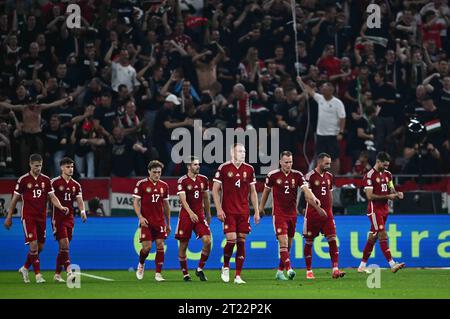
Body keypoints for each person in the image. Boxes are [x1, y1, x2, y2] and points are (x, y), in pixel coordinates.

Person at [259, 151, 325, 281]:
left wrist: (314, 198)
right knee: (283, 242)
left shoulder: (298, 175)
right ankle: (289, 269)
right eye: (286, 162)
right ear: (280, 162)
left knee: (288, 246)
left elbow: (306, 189)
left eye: (290, 162)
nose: (288, 165)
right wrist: (261, 208)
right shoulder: (272, 175)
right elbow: (266, 191)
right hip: (279, 214)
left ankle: (279, 272)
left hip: (292, 215)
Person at [3, 154, 68, 283]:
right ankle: (38, 275)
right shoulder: (23, 180)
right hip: (28, 217)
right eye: (36, 165)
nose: (38, 168)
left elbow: (52, 197)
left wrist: (60, 207)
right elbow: (15, 199)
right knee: (33, 244)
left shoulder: (46, 180)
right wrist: (9, 217)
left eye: (40, 165)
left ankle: (25, 268)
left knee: (40, 247)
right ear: (30, 164)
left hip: (42, 217)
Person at [212, 143, 260, 284]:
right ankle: (225, 266)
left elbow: (253, 192)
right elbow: (215, 190)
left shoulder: (249, 169)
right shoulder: (224, 168)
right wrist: (219, 209)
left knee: (241, 241)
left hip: (244, 212)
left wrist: (256, 211)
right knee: (231, 240)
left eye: (244, 151)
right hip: (228, 211)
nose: (243, 154)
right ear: (232, 152)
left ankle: (238, 275)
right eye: (239, 151)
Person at [358, 152, 406, 273]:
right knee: (382, 234)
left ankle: (362, 266)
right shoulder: (369, 176)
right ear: (378, 161)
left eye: (387, 166)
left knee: (373, 238)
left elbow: (391, 188)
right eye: (384, 165)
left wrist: (397, 193)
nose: (386, 168)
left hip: (385, 210)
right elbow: (369, 196)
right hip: (374, 210)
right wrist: (388, 196)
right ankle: (392, 264)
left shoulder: (388, 175)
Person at [303, 153, 346, 279]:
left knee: (332, 239)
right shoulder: (309, 176)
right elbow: (307, 197)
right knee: (309, 242)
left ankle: (335, 269)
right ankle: (309, 271)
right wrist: (318, 209)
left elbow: (329, 194)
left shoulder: (330, 176)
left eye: (329, 163)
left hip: (327, 215)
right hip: (312, 214)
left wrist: (329, 210)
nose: (328, 166)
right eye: (326, 163)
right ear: (319, 162)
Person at [297, 76, 346, 175]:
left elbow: (342, 118)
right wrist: (300, 81)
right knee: (319, 157)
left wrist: (341, 132)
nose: (321, 90)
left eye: (324, 88)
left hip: (332, 134)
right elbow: (310, 90)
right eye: (321, 88)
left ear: (330, 90)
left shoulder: (338, 103)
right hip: (320, 135)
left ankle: (334, 178)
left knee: (334, 158)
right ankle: (319, 178)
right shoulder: (320, 99)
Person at [133, 160, 171, 282]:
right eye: (154, 172)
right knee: (147, 248)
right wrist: (140, 217)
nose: (157, 174)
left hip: (159, 222)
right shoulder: (141, 184)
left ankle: (158, 274)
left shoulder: (164, 186)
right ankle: (141, 264)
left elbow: (166, 206)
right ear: (149, 171)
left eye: (159, 172)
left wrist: (168, 223)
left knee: (160, 245)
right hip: (146, 222)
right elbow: (135, 202)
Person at [50, 157, 87, 283]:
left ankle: (57, 274)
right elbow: (49, 197)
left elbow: (79, 200)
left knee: (64, 248)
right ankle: (69, 272)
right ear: (61, 168)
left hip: (70, 218)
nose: (70, 169)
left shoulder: (76, 185)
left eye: (71, 167)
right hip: (58, 218)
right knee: (65, 244)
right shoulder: (54, 182)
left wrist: (82, 211)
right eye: (67, 167)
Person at [175, 157, 212, 281]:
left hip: (200, 215)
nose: (198, 166)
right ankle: (185, 274)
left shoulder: (204, 179)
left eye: (198, 164)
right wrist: (190, 213)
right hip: (186, 216)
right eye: (195, 164)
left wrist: (208, 214)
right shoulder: (182, 181)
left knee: (207, 241)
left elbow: (206, 198)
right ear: (188, 166)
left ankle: (199, 269)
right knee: (183, 245)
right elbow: (183, 199)